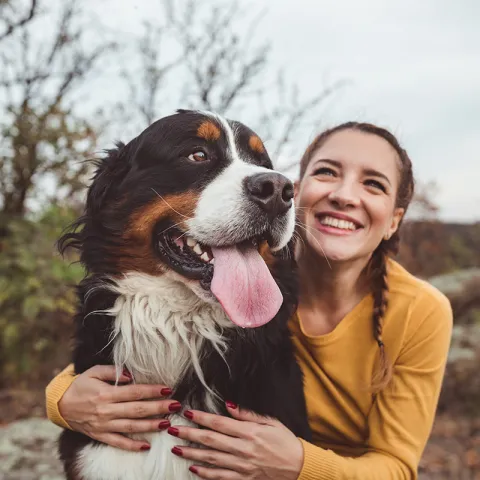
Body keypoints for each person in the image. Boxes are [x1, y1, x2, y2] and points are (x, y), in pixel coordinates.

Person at [45, 122, 452, 479]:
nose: (345, 195)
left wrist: (298, 464)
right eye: (327, 172)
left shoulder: (418, 309)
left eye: (373, 183)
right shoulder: (262, 280)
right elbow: (118, 335)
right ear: (303, 185)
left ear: (395, 219)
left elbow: (397, 467)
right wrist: (62, 399)